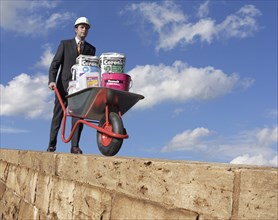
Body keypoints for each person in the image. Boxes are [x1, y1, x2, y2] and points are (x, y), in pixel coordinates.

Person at [47, 17, 96, 154]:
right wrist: (52, 80)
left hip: (80, 88)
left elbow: (92, 69)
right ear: (76, 29)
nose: (84, 30)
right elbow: (55, 64)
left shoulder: (91, 49)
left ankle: (75, 146)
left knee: (78, 116)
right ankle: (52, 145)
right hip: (63, 86)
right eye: (81, 27)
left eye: (86, 28)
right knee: (58, 115)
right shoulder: (65, 44)